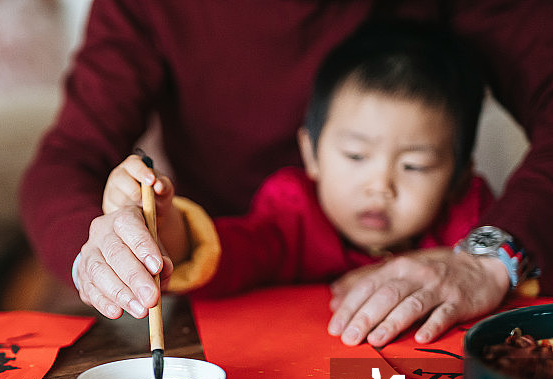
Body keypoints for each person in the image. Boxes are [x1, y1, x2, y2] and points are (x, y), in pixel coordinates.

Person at [19, 1, 553, 346]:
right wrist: (115, 253)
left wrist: (492, 257)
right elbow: (68, 160)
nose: (380, 183)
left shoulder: (468, 207)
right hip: (236, 298)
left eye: (413, 164)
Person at [98, 20, 494, 323]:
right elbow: (227, 255)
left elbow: (527, 279)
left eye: (415, 165)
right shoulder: (293, 211)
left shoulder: (475, 225)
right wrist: (161, 225)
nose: (380, 186)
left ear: (459, 176)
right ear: (312, 153)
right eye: (356, 156)